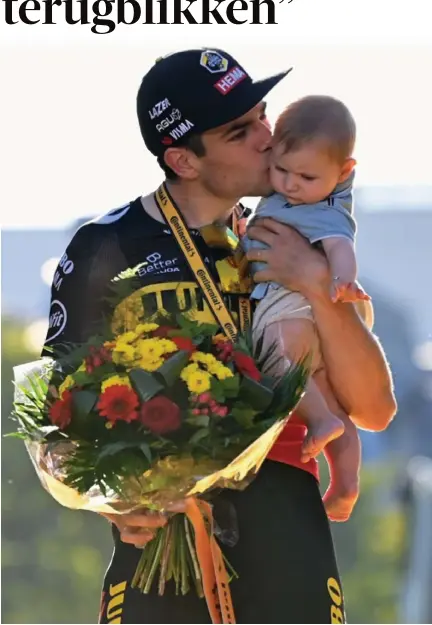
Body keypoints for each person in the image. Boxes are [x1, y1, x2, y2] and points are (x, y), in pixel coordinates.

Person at [41, 48, 396, 624]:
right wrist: (111, 502)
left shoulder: (299, 235)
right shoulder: (106, 247)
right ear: (183, 159)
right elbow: (56, 415)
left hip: (287, 531)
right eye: (240, 130)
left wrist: (311, 281)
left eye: (262, 115)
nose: (267, 137)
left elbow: (375, 409)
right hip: (160, 539)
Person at [241, 95, 370, 522]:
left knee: (275, 359)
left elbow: (340, 245)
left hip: (294, 306)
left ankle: (319, 421)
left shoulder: (326, 209)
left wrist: (342, 279)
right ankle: (347, 482)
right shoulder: (304, 194)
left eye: (306, 176)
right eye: (281, 170)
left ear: (344, 171)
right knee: (331, 400)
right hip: (307, 313)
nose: (291, 184)